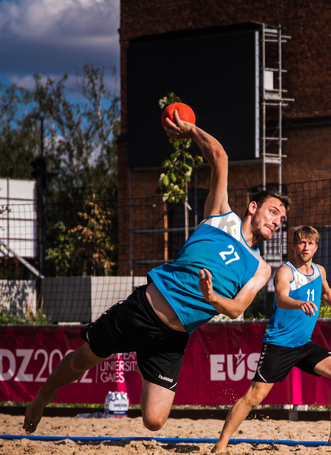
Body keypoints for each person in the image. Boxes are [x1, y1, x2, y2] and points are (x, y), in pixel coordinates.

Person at [23, 112, 287, 433]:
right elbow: (219, 156)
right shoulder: (220, 216)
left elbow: (237, 309)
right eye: (273, 211)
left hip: (171, 337)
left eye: (281, 219)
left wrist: (212, 297)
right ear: (253, 207)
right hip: (143, 310)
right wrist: (189, 131)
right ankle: (44, 394)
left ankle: (143, 361)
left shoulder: (260, 267)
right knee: (82, 360)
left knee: (154, 421)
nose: (276, 220)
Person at [211, 225, 331, 452]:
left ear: (316, 247)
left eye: (310, 243)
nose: (305, 246)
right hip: (279, 345)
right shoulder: (286, 271)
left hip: (303, 345)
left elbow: (326, 292)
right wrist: (299, 303)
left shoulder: (319, 271)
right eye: (301, 242)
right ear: (294, 246)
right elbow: (281, 298)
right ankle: (220, 445)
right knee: (254, 396)